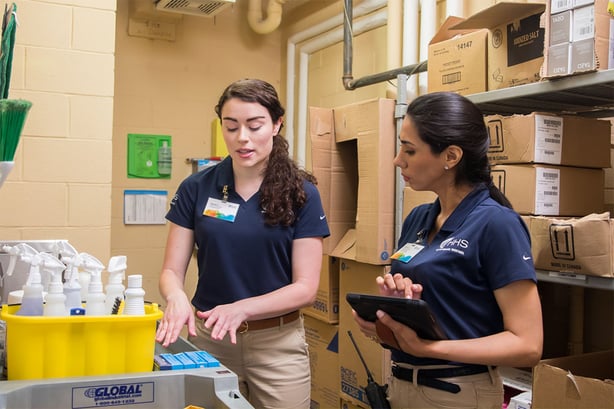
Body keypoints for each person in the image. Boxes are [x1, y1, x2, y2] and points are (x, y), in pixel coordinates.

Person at [352, 91, 543, 409]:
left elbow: (528, 345)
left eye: (409, 150)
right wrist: (389, 319)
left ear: (451, 157)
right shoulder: (418, 218)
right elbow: (441, 312)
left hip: (457, 393)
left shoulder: (497, 225)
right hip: (402, 385)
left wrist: (427, 349)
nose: (398, 160)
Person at [155, 78, 330, 409]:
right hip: (211, 339)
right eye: (231, 127)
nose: (242, 138)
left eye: (254, 125)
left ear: (277, 124)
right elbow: (170, 270)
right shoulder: (197, 188)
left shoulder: (302, 194)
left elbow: (306, 288)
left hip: (278, 345)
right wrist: (176, 297)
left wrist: (242, 309)